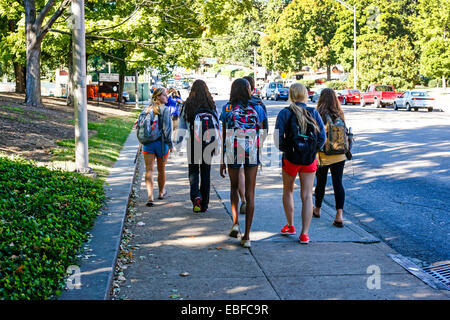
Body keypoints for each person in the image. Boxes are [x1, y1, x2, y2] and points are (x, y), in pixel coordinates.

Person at [274, 83, 326, 244]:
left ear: (290, 95)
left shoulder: (285, 113)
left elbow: (277, 138)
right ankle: (304, 234)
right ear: (305, 95)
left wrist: (287, 150)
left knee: (288, 191)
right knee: (307, 195)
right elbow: (322, 138)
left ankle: (290, 225)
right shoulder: (313, 113)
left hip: (290, 158)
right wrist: (312, 151)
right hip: (309, 160)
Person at [219, 78, 267, 248]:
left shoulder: (227, 108)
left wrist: (222, 160)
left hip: (233, 150)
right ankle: (247, 236)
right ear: (248, 90)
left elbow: (224, 135)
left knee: (233, 188)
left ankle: (235, 223)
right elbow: (261, 133)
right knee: (250, 193)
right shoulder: (258, 108)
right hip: (251, 152)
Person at [175, 80, 220, 213]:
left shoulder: (187, 105)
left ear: (192, 90)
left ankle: (196, 197)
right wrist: (217, 143)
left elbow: (182, 126)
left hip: (193, 142)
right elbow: (217, 124)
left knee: (193, 172)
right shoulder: (211, 105)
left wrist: (177, 144)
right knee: (206, 173)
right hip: (209, 143)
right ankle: (204, 204)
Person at [313, 88, 348, 228]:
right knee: (338, 183)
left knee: (320, 182)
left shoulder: (319, 114)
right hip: (339, 154)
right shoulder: (340, 113)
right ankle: (339, 215)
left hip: (323, 155)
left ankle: (317, 209)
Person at [142, 87, 173, 207]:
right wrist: (170, 145)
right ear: (158, 97)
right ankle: (161, 192)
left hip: (148, 144)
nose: (167, 97)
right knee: (161, 169)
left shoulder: (147, 108)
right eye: (164, 95)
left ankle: (150, 197)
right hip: (161, 144)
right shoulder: (164, 109)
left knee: (149, 170)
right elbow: (167, 130)